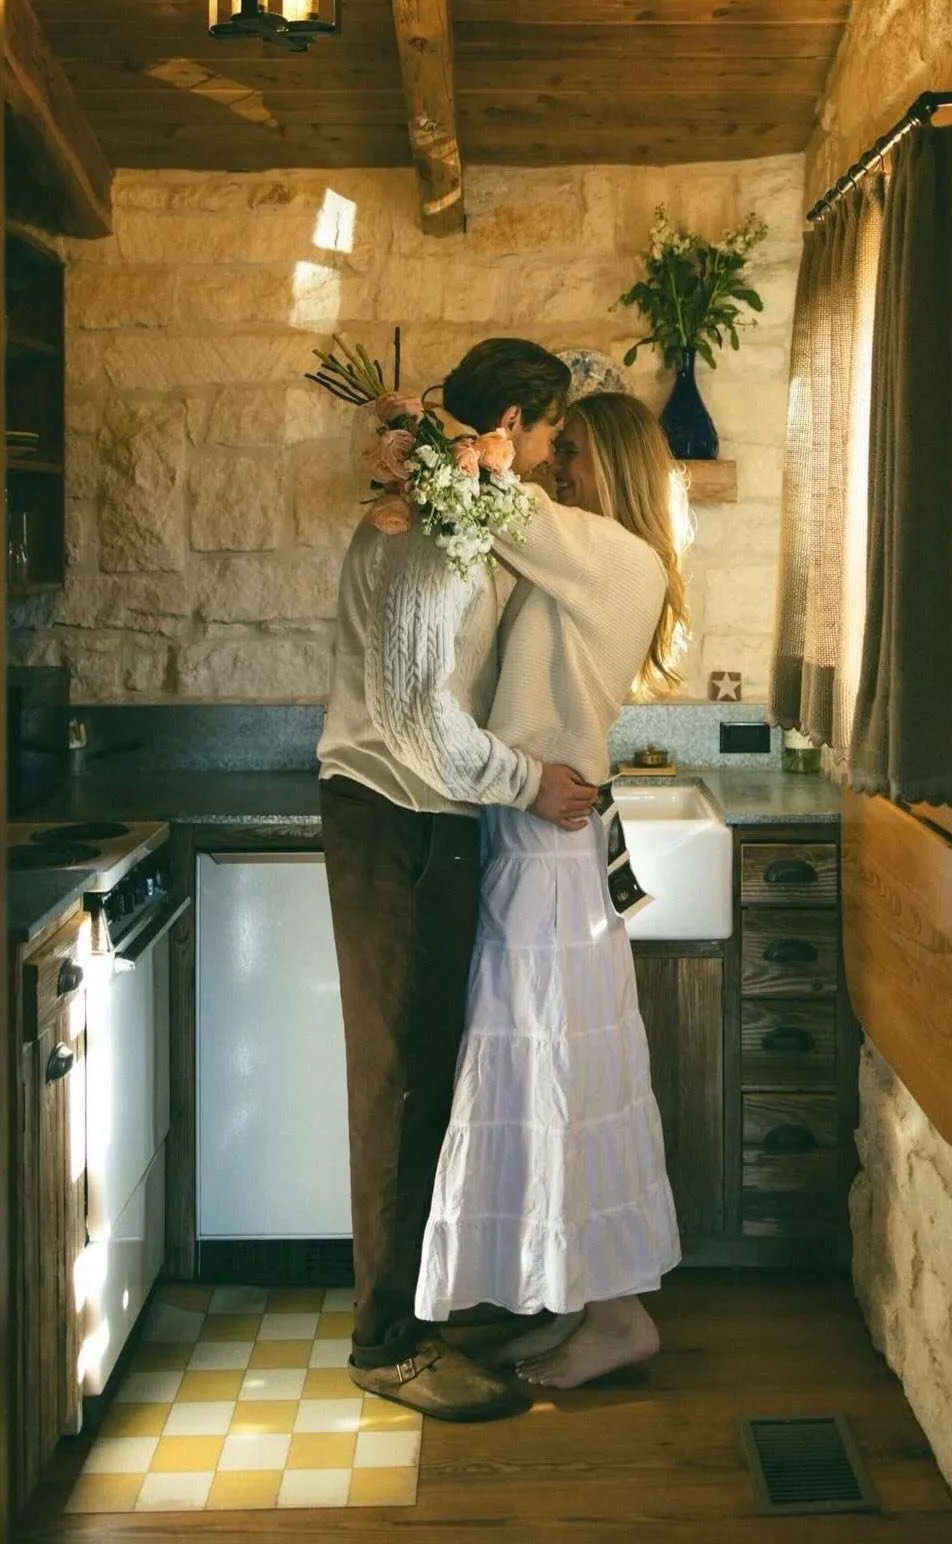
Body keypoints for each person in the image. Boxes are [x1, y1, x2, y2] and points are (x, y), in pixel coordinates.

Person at [317, 338, 598, 1423]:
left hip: (425, 823)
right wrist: (530, 781)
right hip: (396, 821)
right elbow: (416, 720)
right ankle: (386, 1343)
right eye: (550, 439)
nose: (548, 461)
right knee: (396, 1085)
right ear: (514, 422)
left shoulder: (455, 516)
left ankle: (416, 1315)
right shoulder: (424, 530)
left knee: (426, 1073)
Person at [413, 392, 689, 1388]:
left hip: (551, 849)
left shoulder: (618, 554)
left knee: (563, 1087)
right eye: (552, 448)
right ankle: (577, 1301)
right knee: (539, 1083)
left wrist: (449, 432)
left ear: (609, 462)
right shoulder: (585, 552)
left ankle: (618, 1317)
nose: (551, 466)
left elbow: (503, 502)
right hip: (529, 833)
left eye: (566, 451)